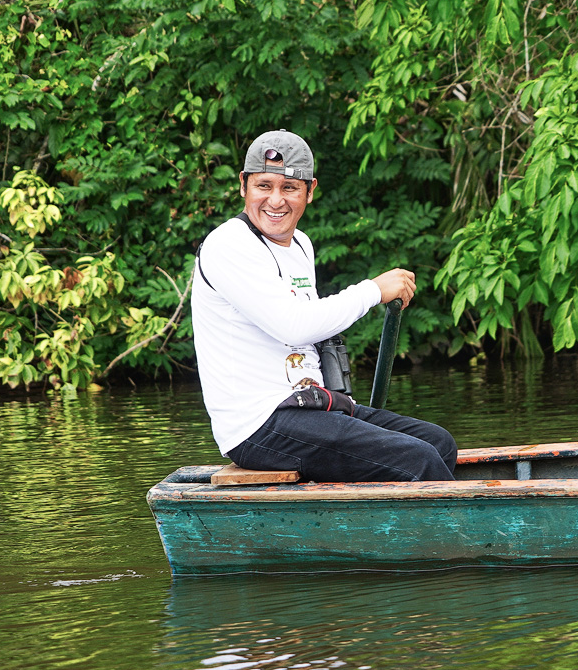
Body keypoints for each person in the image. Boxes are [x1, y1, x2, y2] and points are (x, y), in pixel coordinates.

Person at [191, 129, 457, 482]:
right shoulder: (228, 245)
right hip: (258, 425)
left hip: (309, 405)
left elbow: (311, 330)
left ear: (310, 191)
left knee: (438, 442)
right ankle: (451, 538)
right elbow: (294, 326)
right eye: (264, 186)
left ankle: (383, 529)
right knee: (417, 458)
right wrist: (373, 291)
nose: (275, 200)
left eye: (289, 188)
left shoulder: (300, 244)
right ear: (243, 185)